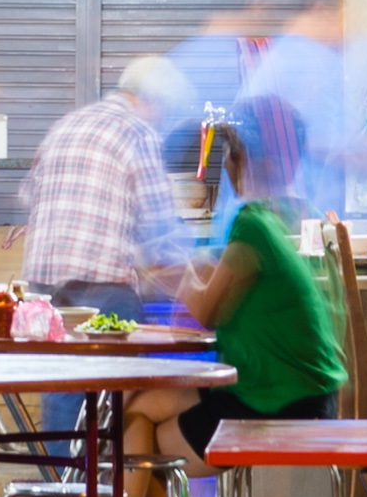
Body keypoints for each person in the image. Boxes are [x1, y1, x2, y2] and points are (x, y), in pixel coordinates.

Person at [127, 107, 341, 466]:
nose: (223, 166)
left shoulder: (253, 225)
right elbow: (223, 288)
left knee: (145, 439)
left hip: (277, 403)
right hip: (293, 391)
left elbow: (206, 311)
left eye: (227, 154)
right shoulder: (275, 219)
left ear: (245, 160)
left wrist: (172, 272)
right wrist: (191, 268)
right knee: (137, 408)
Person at [22, 58, 196, 328]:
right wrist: (193, 261)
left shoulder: (65, 125)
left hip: (41, 289)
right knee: (119, 367)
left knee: (56, 365)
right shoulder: (139, 134)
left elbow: (29, 195)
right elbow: (158, 224)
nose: (164, 122)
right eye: (166, 112)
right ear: (154, 100)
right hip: (102, 291)